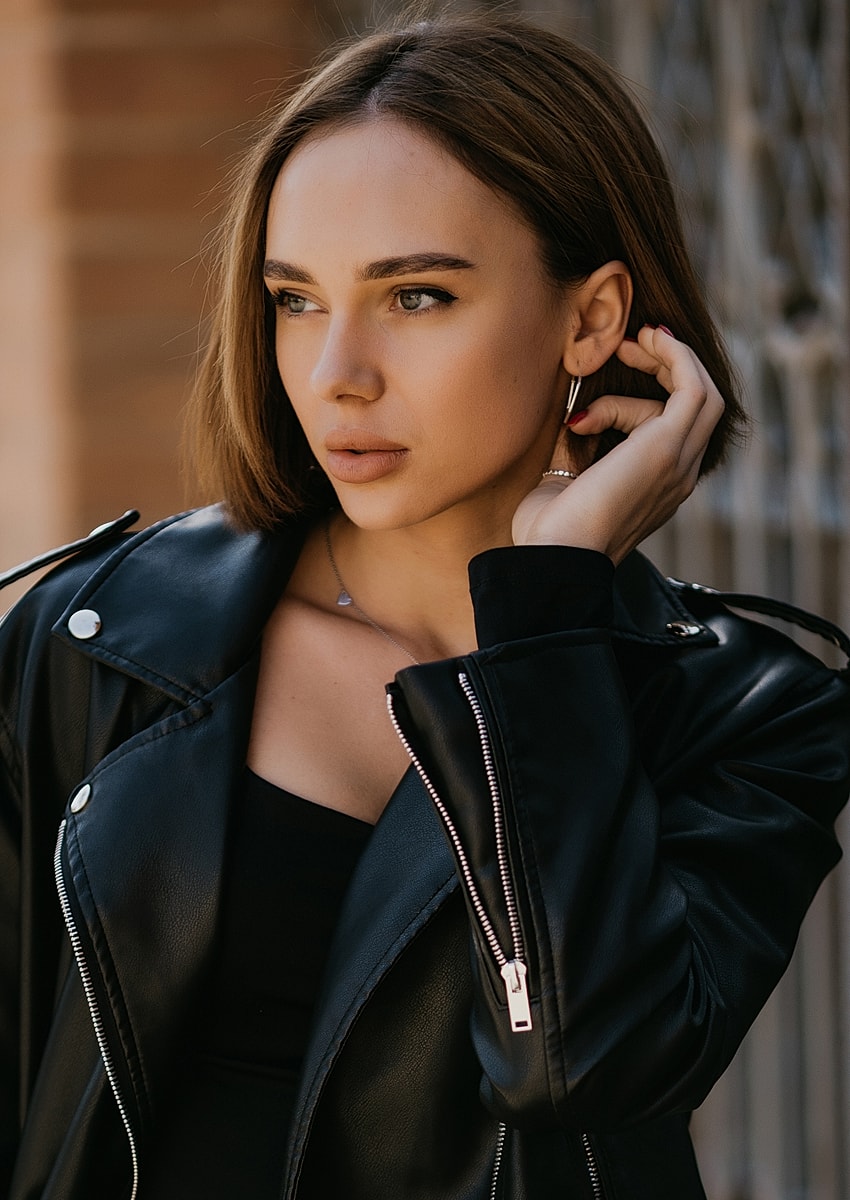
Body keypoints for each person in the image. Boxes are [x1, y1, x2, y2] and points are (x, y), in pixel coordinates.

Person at [1, 11, 848, 1200]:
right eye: (295, 300)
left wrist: (547, 614)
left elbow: (577, 1061)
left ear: (590, 319)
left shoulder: (746, 715)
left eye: (415, 297)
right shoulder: (104, 640)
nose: (337, 372)